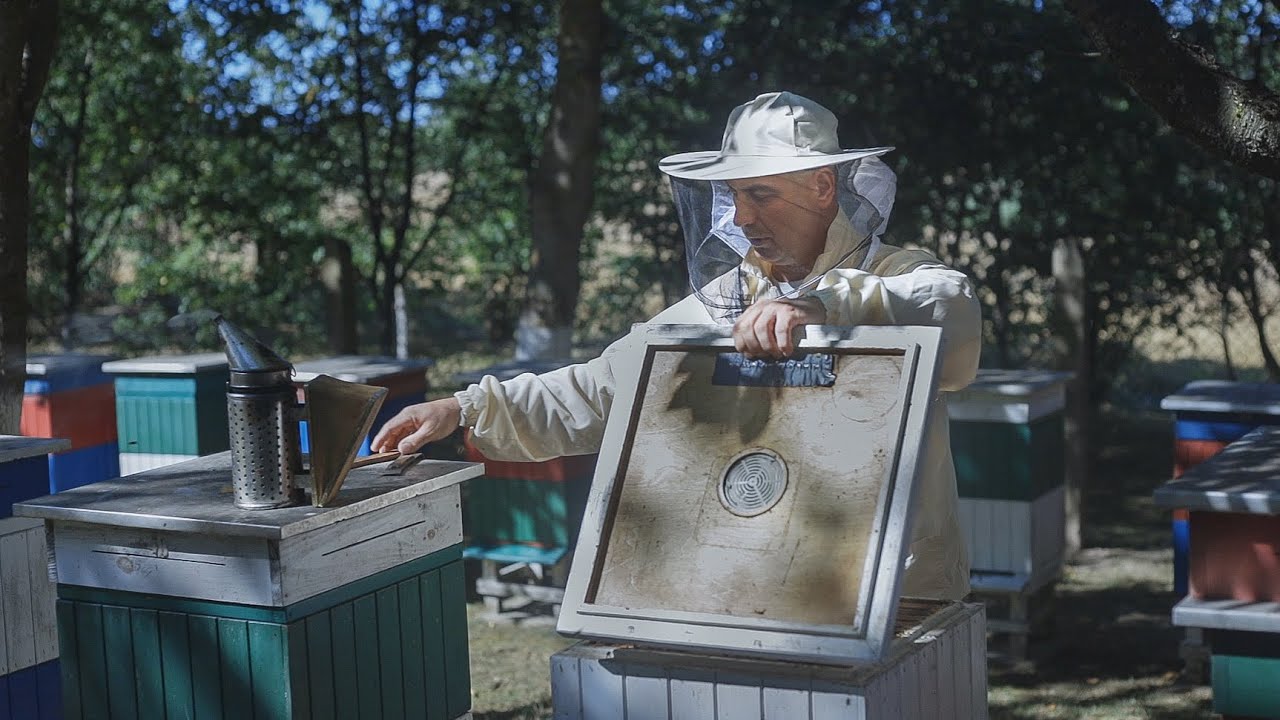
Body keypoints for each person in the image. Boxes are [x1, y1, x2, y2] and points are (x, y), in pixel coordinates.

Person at [373, 91, 981, 600]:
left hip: (897, 594)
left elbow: (949, 308)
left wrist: (824, 307)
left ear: (823, 187)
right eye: (733, 196)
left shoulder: (896, 275)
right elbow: (605, 387)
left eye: (760, 194)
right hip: (771, 586)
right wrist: (463, 408)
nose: (741, 218)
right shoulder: (730, 297)